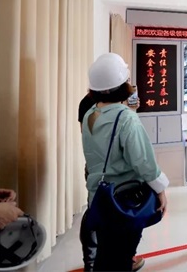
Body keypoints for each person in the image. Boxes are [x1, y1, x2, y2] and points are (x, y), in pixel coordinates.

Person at [82, 53, 169, 271]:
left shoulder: (90, 114)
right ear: (123, 84)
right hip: (123, 202)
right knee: (120, 258)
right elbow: (143, 161)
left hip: (100, 197)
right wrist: (160, 190)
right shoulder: (126, 118)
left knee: (105, 254)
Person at [78, 84, 145, 272]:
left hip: (100, 169)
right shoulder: (90, 105)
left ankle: (107, 259)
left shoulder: (108, 107)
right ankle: (95, 260)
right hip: (106, 172)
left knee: (105, 217)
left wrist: (129, 109)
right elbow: (93, 136)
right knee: (101, 216)